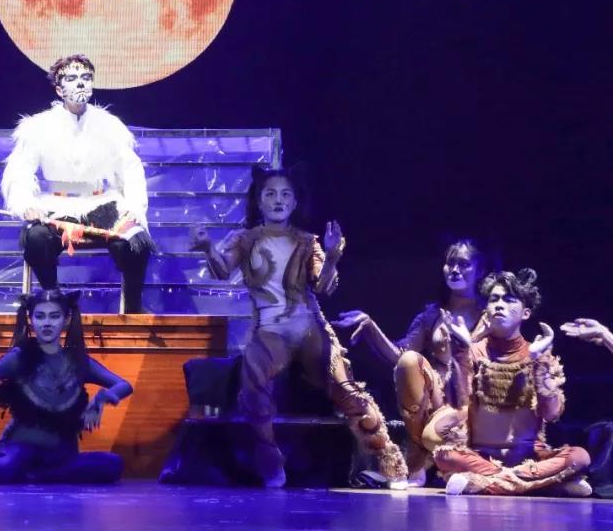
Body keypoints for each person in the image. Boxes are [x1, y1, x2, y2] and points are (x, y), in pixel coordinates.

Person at [191, 167, 407, 488]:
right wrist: (208, 247)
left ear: (294, 203)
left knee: (345, 387)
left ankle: (386, 454)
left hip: (308, 327)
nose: (278, 200)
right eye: (270, 194)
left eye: (285, 195)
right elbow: (222, 271)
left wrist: (332, 257)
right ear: (259, 201)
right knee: (252, 383)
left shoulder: (307, 242)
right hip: (269, 330)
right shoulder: (245, 240)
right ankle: (269, 458)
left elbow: (323, 286)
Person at [0, 288, 131, 483]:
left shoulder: (78, 362)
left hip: (62, 454)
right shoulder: (20, 358)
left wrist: (102, 398)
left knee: (112, 464)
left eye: (54, 316)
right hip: (20, 449)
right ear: (31, 319)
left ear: (66, 320)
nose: (47, 323)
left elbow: (124, 385)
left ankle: (34, 476)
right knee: (2, 467)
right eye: (40, 317)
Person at [1, 54, 153, 313]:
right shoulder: (38, 127)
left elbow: (131, 169)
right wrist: (26, 204)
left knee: (136, 241)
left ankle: (133, 307)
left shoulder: (110, 125)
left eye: (86, 77)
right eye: (72, 78)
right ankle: (54, 302)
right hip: (56, 207)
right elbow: (19, 170)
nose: (81, 83)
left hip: (102, 204)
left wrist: (134, 208)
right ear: (59, 89)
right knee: (36, 238)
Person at [333, 240, 488, 485]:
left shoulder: (492, 313)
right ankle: (417, 461)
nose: (455, 269)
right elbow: (400, 355)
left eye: (464, 264)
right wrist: (371, 327)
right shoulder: (433, 315)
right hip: (441, 404)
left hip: (479, 403)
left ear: (480, 271)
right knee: (409, 361)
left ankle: (455, 464)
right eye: (450, 263)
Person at [425, 269, 591, 496]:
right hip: (482, 457)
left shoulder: (537, 352)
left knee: (580, 457)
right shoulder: (474, 351)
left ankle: (485, 483)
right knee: (445, 456)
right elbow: (459, 400)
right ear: (486, 309)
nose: (499, 305)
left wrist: (538, 362)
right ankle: (546, 485)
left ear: (525, 313)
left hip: (530, 458)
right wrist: (461, 349)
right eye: (494, 299)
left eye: (509, 300)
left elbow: (552, 413)